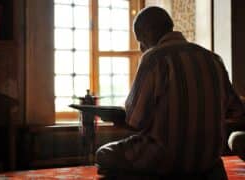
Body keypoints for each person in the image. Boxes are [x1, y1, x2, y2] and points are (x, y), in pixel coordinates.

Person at [95, 6, 245, 178]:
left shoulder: (153, 58)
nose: (141, 47)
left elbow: (135, 121)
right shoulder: (213, 58)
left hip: (164, 159)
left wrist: (114, 116)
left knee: (104, 154)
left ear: (148, 32)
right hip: (207, 161)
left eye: (140, 39)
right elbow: (236, 111)